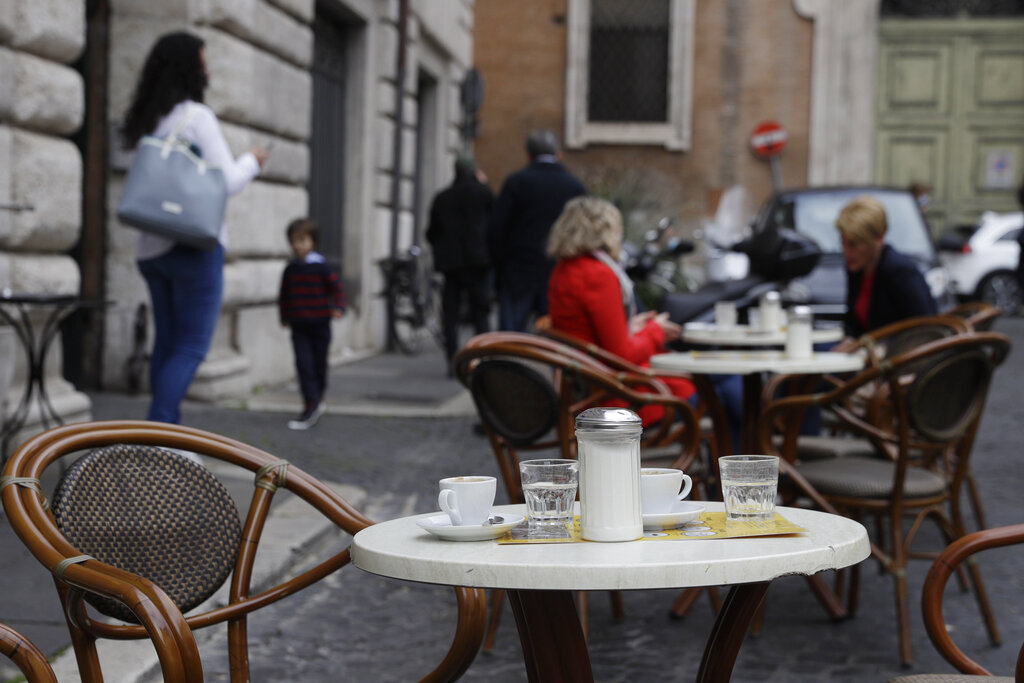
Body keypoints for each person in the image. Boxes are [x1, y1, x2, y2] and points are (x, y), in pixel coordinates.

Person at [122, 31, 266, 425]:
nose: (209, 70)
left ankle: (162, 432)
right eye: (204, 62)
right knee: (191, 346)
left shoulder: (145, 120)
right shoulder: (196, 118)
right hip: (194, 246)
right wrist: (252, 160)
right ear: (191, 68)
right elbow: (227, 183)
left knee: (167, 343)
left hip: (151, 250)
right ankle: (161, 435)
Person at [546, 196, 695, 420]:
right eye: (617, 229)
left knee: (720, 386)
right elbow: (622, 355)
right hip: (618, 395)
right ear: (605, 231)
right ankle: (737, 453)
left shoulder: (565, 268)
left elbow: (588, 333)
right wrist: (656, 330)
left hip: (592, 385)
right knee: (715, 392)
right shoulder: (597, 274)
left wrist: (631, 326)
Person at [489, 130, 586, 332]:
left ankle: (509, 364)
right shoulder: (573, 185)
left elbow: (496, 229)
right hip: (558, 271)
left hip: (518, 270)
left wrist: (501, 265)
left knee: (511, 339)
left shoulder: (516, 182)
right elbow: (583, 231)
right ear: (558, 154)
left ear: (528, 154)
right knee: (557, 339)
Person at [426, 156, 494, 374]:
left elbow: (431, 232)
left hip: (451, 265)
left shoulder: (443, 197)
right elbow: (495, 225)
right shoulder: (483, 194)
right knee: (480, 313)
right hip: (477, 263)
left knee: (450, 316)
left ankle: (452, 361)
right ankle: (482, 358)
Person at [278, 218, 346, 430]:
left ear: (312, 241)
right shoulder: (290, 269)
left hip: (320, 325)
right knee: (303, 365)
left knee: (319, 365)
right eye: (293, 241)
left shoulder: (321, 267)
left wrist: (339, 308)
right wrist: (284, 316)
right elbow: (284, 295)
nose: (297, 245)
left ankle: (319, 396)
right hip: (299, 326)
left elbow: (336, 289)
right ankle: (310, 406)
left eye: (302, 240)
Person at [838, 195, 937, 338]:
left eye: (854, 244)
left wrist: (883, 348)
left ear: (878, 239)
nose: (846, 251)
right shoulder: (857, 268)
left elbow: (925, 328)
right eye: (843, 243)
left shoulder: (901, 272)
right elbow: (853, 323)